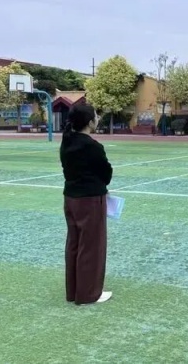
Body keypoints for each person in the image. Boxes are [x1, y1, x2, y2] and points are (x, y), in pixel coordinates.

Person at [60, 104, 113, 304]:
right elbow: (106, 174)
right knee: (91, 246)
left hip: (71, 198)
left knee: (74, 244)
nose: (98, 119)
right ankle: (89, 293)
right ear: (90, 122)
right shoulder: (92, 146)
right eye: (96, 116)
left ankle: (74, 291)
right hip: (90, 200)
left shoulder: (67, 142)